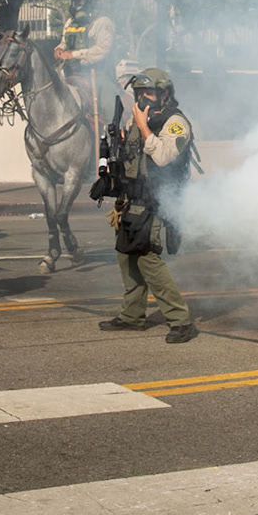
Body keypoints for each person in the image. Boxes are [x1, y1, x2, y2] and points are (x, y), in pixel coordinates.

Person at [98, 67, 198, 343]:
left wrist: (142, 127)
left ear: (164, 94)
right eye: (139, 93)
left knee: (148, 259)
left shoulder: (175, 123)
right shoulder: (136, 119)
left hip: (157, 201)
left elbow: (164, 156)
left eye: (149, 93)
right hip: (132, 199)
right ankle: (132, 315)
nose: (143, 99)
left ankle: (181, 320)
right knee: (125, 255)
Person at [54, 0, 115, 128]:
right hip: (71, 73)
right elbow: (64, 42)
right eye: (73, 0)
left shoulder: (102, 22)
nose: (75, 4)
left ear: (89, 1)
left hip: (98, 75)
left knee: (108, 105)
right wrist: (59, 49)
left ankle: (115, 136)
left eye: (79, 0)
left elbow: (101, 50)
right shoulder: (70, 21)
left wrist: (73, 55)